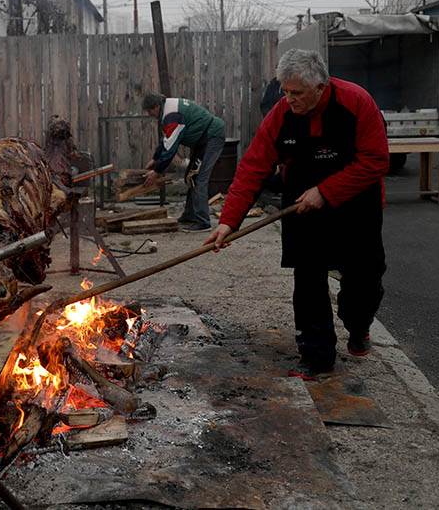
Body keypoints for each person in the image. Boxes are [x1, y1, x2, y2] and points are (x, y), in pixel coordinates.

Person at [206, 49, 389, 380]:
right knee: (308, 281)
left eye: (297, 93)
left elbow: (376, 160)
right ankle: (317, 358)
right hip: (302, 205)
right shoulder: (280, 115)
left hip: (357, 204)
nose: (289, 99)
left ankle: (358, 325)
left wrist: (327, 191)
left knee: (364, 279)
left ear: (320, 87)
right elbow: (253, 167)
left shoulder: (356, 102)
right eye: (285, 91)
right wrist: (227, 222)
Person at [141, 93, 226, 232]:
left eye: (150, 111)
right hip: (202, 140)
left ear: (156, 106)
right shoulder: (168, 109)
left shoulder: (172, 115)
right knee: (191, 177)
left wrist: (157, 171)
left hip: (211, 137)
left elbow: (171, 148)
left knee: (200, 179)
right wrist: (156, 158)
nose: (149, 114)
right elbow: (167, 139)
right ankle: (190, 216)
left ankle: (203, 222)